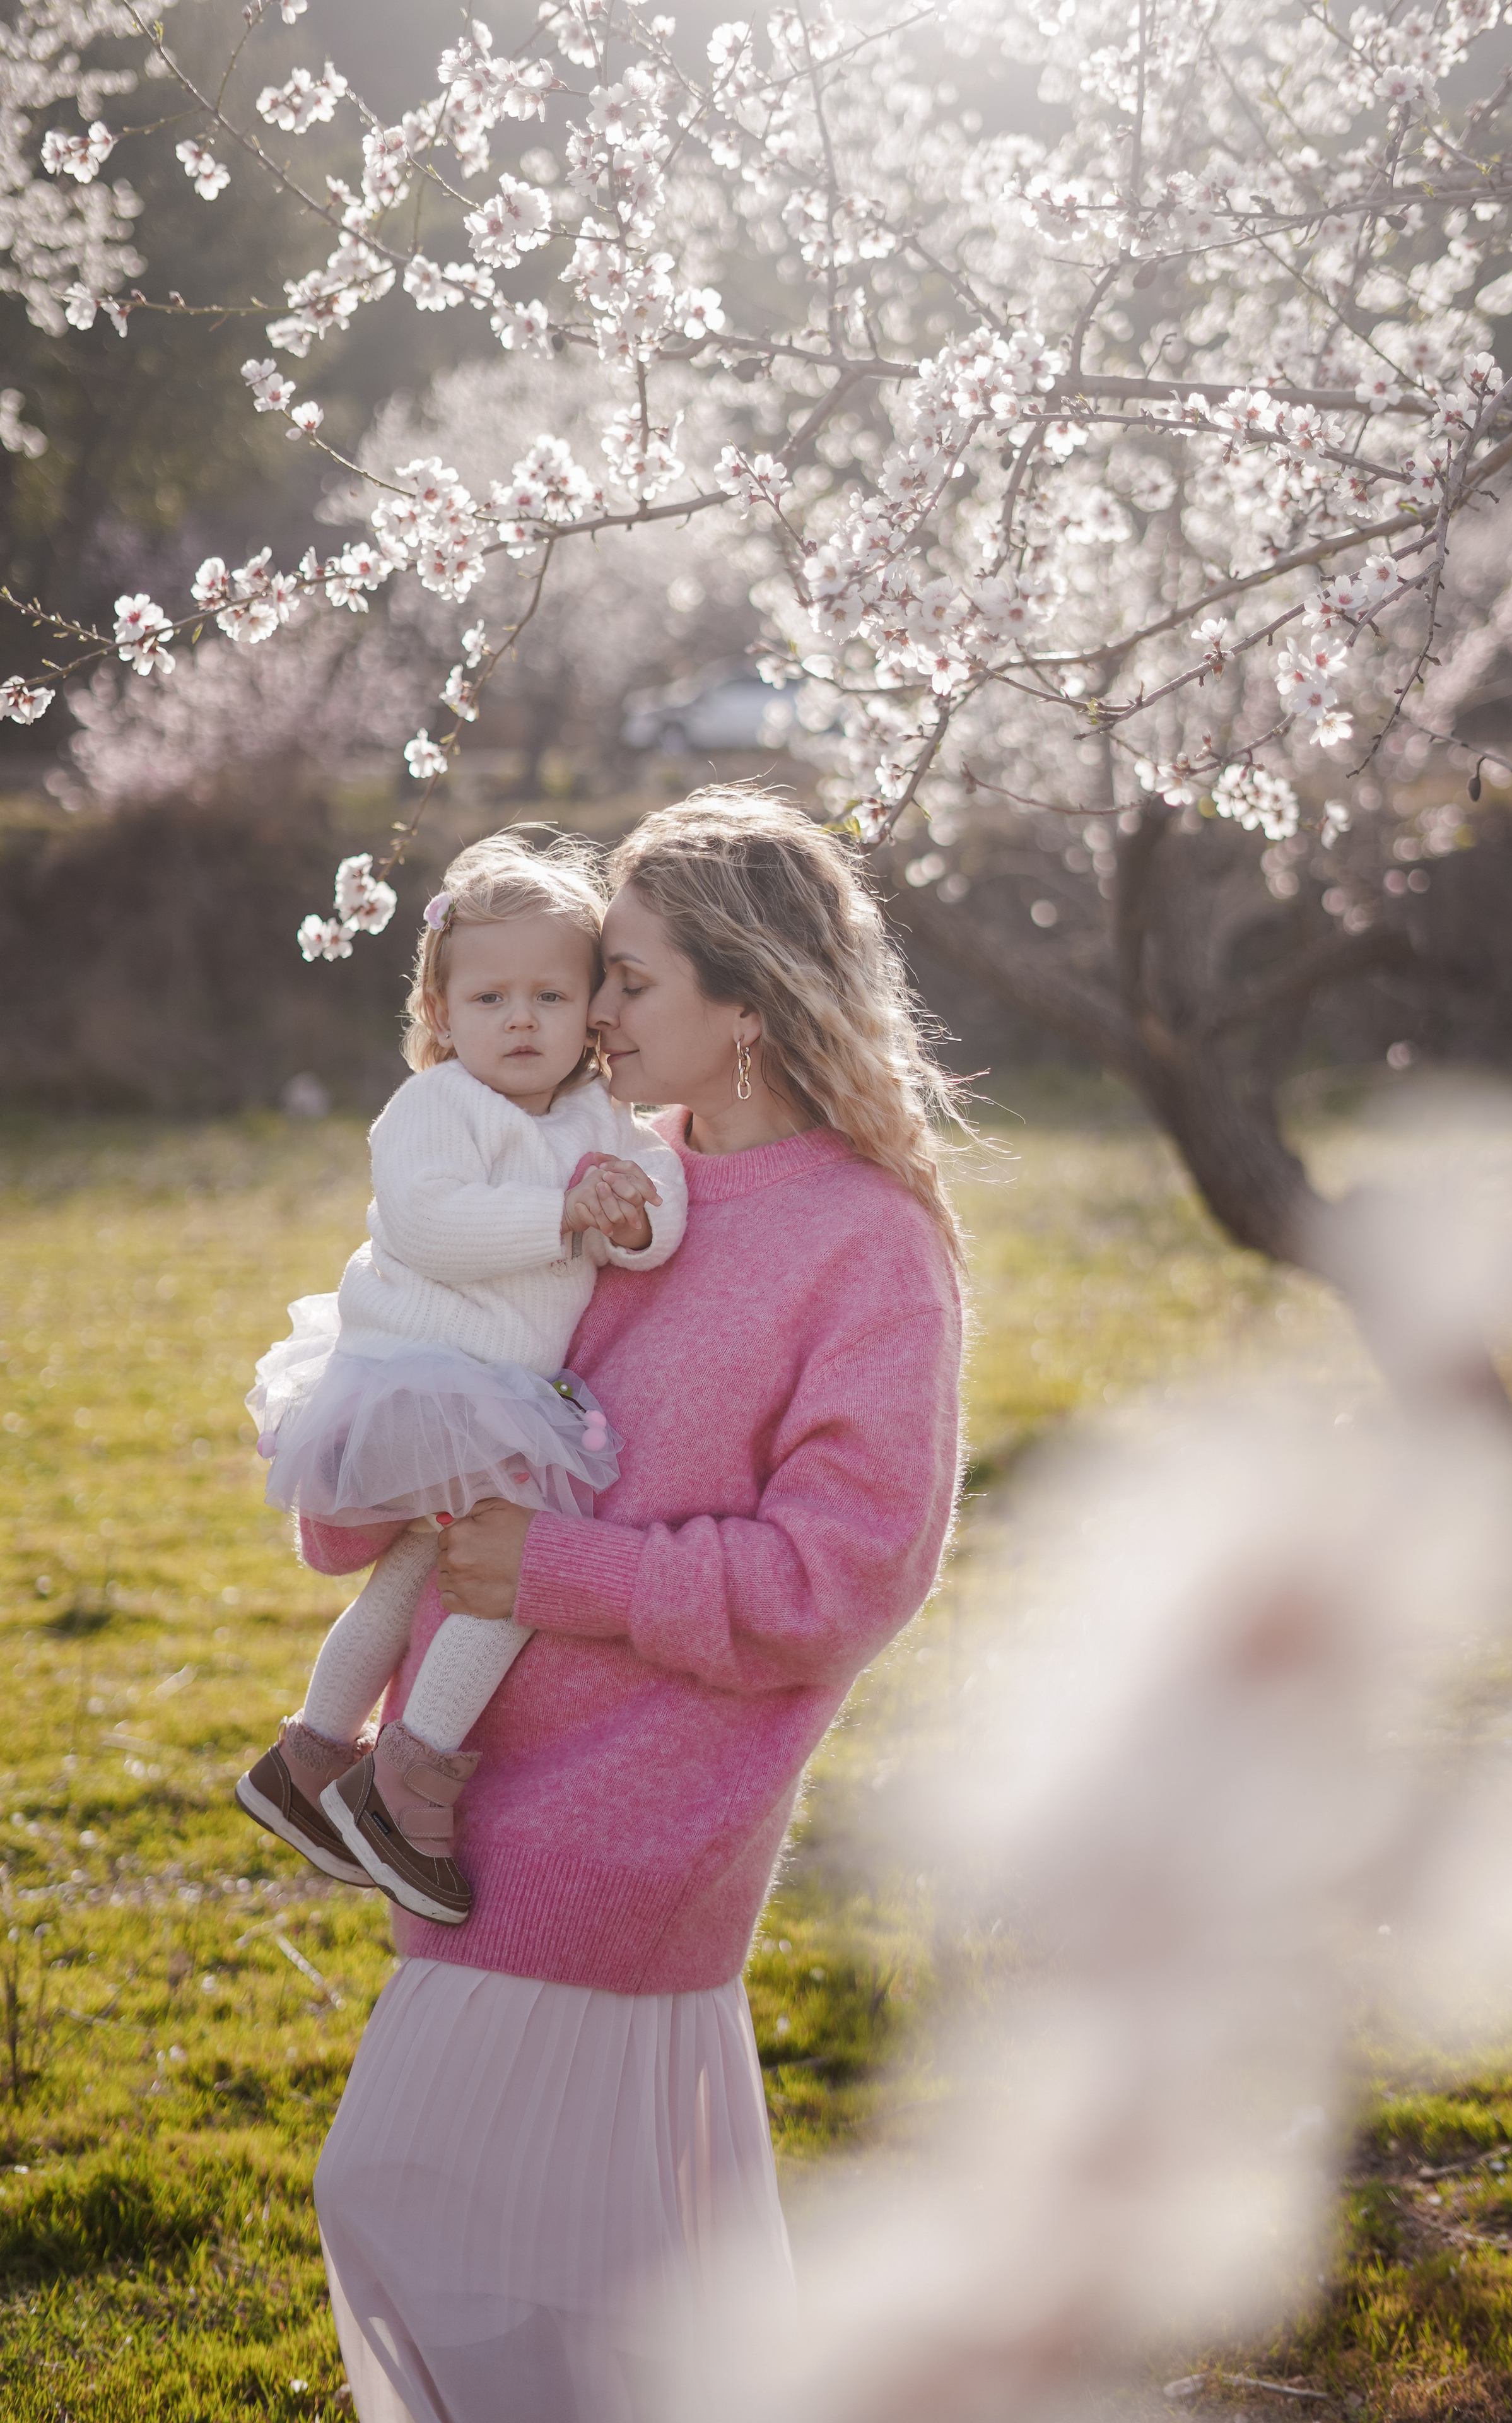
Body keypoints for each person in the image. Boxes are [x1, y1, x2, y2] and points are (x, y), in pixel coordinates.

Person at [308, 791, 967, 2423]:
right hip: (461, 1792)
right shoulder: (606, 1181)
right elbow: (441, 1395)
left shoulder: (867, 1249)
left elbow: (842, 1582)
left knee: (469, 2253)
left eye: (634, 980)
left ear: (748, 1008)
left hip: (640, 1821)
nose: (591, 1010)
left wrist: (555, 1573)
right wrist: (365, 1483)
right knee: (600, 2300)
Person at [237, 832, 686, 1927]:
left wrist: (637, 1219)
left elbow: (655, 1187)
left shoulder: (595, 1119)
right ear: (442, 1013)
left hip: (495, 1392)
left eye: (549, 993)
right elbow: (432, 1224)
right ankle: (410, 1776)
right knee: (521, 1560)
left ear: (591, 1010)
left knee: (433, 1558)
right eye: (490, 998)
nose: (521, 1020)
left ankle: (309, 1758)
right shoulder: (434, 1108)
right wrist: (559, 1215)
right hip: (415, 1373)